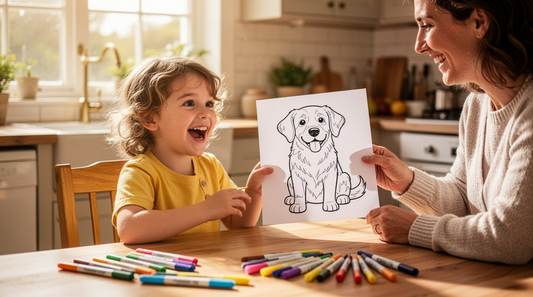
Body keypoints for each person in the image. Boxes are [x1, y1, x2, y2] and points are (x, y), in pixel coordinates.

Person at [362, 0, 533, 265]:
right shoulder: (477, 105)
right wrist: (406, 181)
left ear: (479, 22)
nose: (419, 45)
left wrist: (414, 230)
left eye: (427, 25)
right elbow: (465, 202)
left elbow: (511, 237)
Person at [107, 56, 273, 244]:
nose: (205, 113)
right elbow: (130, 229)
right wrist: (206, 210)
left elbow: (238, 224)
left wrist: (254, 192)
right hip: (162, 269)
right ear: (150, 119)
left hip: (204, 266)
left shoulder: (211, 166)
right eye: (189, 103)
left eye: (209, 104)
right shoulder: (141, 171)